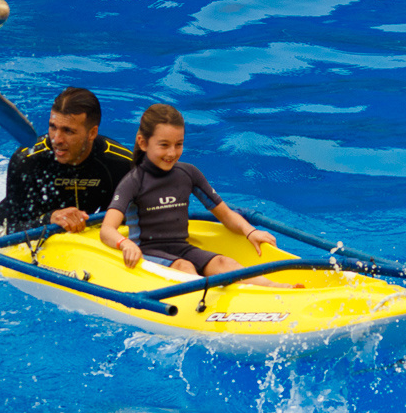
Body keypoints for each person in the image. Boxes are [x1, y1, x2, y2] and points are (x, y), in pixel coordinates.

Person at [100, 103, 298, 288]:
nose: (172, 153)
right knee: (184, 267)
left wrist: (250, 231)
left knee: (224, 262)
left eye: (178, 144)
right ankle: (205, 303)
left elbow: (226, 215)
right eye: (164, 145)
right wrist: (125, 243)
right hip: (147, 253)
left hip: (182, 248)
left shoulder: (188, 174)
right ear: (143, 143)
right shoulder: (133, 182)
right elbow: (107, 229)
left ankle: (277, 288)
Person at [0, 87, 133, 233]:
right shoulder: (28, 160)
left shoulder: (121, 164)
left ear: (92, 133)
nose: (56, 139)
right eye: (53, 127)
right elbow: (12, 229)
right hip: (0, 229)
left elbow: (130, 221)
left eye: (68, 131)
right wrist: (49, 219)